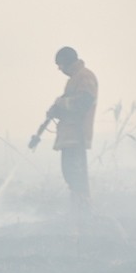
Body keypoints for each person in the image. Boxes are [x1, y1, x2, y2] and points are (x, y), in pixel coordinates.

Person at [46, 46, 98, 209]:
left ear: (68, 62)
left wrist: (60, 103)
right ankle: (77, 211)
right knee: (71, 176)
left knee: (76, 178)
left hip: (77, 136)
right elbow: (72, 106)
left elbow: (83, 102)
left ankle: (84, 212)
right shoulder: (76, 79)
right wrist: (58, 110)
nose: (59, 69)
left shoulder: (84, 77)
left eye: (60, 64)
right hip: (70, 137)